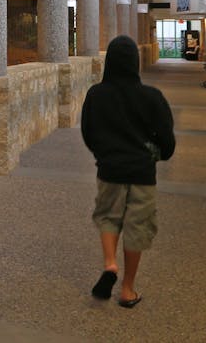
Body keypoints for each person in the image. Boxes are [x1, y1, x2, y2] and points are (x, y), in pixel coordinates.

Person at [80, 35, 176, 308]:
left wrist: (104, 154)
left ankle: (110, 264)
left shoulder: (96, 95)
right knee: (138, 227)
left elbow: (88, 132)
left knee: (108, 217)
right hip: (142, 173)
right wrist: (157, 154)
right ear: (135, 62)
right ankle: (127, 289)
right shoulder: (152, 97)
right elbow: (167, 140)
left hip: (110, 169)